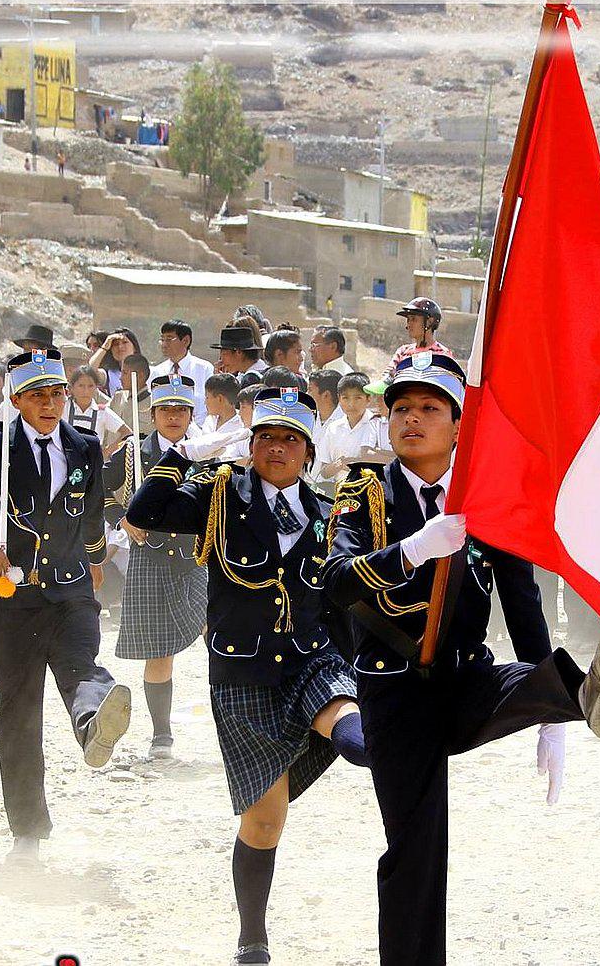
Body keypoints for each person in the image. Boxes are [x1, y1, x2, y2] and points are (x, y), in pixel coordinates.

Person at [323, 352, 600, 966]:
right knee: (416, 850)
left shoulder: (485, 501)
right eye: (401, 408)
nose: (411, 420)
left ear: (459, 425)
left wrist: (551, 712)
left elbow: (522, 603)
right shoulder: (363, 495)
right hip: (395, 693)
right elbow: (336, 580)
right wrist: (412, 550)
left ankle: (583, 694)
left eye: (429, 408)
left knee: (522, 681)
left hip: (466, 680)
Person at [126, 387, 368, 966]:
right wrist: (186, 454)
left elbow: (341, 599)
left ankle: (392, 747)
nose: (276, 448)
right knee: (263, 823)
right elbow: (145, 512)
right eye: (266, 437)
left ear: (309, 452)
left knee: (351, 723)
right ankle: (252, 938)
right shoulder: (218, 497)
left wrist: (359, 665)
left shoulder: (329, 510)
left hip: (313, 660)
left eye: (290, 439)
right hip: (244, 674)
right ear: (250, 444)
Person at [0, 348, 131, 866]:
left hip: (71, 590)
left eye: (57, 393)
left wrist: (98, 562)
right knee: (18, 712)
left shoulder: (84, 447)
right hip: (13, 599)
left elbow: (91, 517)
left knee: (83, 667)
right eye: (38, 395)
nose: (50, 403)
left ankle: (94, 725)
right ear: (16, 399)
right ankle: (28, 834)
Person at [104, 374, 208, 759]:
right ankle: (161, 735)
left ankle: (235, 721)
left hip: (198, 558)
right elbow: (98, 489)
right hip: (150, 558)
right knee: (159, 652)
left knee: (223, 639)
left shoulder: (205, 450)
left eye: (182, 409)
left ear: (191, 413)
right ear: (152, 414)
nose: (174, 416)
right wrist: (123, 518)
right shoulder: (133, 452)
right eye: (166, 409)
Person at [151, 319, 215, 422]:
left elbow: (208, 407)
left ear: (186, 341)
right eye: (162, 339)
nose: (164, 344)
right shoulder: (158, 372)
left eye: (169, 339)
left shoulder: (204, 369)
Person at [67, 364, 129, 456]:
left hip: (93, 464)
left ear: (96, 388)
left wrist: (107, 452)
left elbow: (127, 433)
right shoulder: (63, 407)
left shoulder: (102, 411)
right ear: (72, 387)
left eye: (90, 386)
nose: (86, 391)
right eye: (81, 386)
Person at [390, 298, 453, 371]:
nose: (409, 324)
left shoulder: (443, 354)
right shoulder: (402, 352)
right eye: (408, 320)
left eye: (413, 319)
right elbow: (387, 378)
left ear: (429, 322)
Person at [201, 373, 249, 463]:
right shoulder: (209, 421)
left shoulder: (243, 425)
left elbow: (249, 460)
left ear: (219, 398)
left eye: (207, 397)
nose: (205, 402)